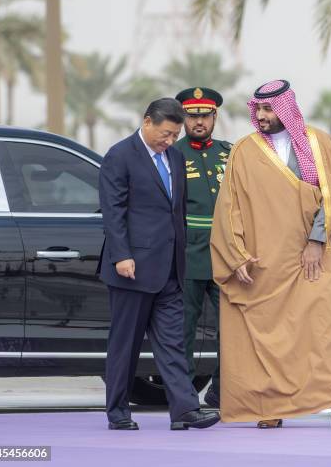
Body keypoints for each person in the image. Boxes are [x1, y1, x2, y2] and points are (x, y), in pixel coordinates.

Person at [210, 80, 331, 428]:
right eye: (258, 109)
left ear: (286, 108)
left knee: (328, 332)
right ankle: (269, 410)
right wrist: (236, 255)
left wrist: (317, 242)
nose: (262, 115)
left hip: (314, 258)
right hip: (264, 262)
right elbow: (230, 208)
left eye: (269, 109)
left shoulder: (317, 143)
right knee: (270, 339)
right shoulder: (245, 150)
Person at [98, 98, 220, 431]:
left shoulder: (176, 158)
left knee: (173, 343)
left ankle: (184, 410)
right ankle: (118, 412)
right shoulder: (120, 156)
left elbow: (176, 212)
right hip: (132, 268)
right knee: (126, 345)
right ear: (147, 122)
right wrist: (122, 255)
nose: (169, 140)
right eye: (165, 134)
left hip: (170, 269)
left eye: (174, 134)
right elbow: (113, 211)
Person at [173, 87, 232, 409]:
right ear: (183, 118)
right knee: (184, 329)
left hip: (225, 254)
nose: (199, 122)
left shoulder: (229, 153)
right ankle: (184, 396)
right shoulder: (172, 153)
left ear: (214, 117)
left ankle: (222, 391)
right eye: (192, 116)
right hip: (187, 254)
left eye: (205, 116)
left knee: (232, 328)